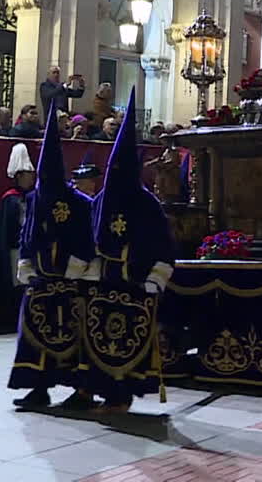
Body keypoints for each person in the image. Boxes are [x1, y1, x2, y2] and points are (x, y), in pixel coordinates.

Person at [75, 89, 176, 413]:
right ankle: (94, 390)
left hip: (135, 284)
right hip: (103, 282)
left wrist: (154, 280)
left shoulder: (147, 204)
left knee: (124, 341)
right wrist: (87, 272)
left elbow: (163, 246)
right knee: (97, 338)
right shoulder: (102, 200)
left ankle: (121, 394)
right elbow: (90, 237)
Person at [9, 101, 94, 410]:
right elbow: (28, 232)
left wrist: (77, 267)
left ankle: (82, 391)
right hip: (41, 279)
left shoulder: (80, 202)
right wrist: (25, 262)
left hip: (71, 282)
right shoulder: (35, 198)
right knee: (33, 335)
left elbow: (87, 237)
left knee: (75, 338)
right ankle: (38, 388)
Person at [0, 143, 36, 315]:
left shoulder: (34, 196)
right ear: (19, 176)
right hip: (15, 249)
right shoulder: (10, 199)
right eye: (28, 174)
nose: (32, 178)